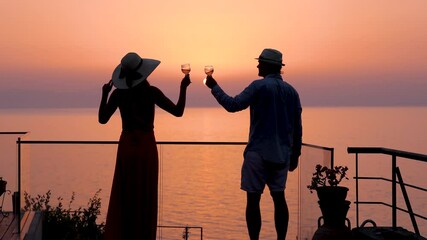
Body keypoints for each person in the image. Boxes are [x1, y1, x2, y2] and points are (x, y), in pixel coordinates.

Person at [204, 48, 302, 240]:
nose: (257, 65)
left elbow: (233, 105)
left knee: (253, 200)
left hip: (257, 153)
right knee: (279, 197)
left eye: (260, 62)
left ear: (267, 65)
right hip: (282, 154)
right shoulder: (292, 92)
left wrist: (213, 86)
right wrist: (295, 154)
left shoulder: (259, 86)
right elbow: (297, 127)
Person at [98, 52, 191, 240]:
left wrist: (104, 94)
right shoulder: (151, 92)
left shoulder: (118, 94)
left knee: (125, 195)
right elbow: (178, 111)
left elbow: (102, 119)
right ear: (143, 72)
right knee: (144, 195)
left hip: (126, 148)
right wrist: (183, 87)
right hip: (146, 148)